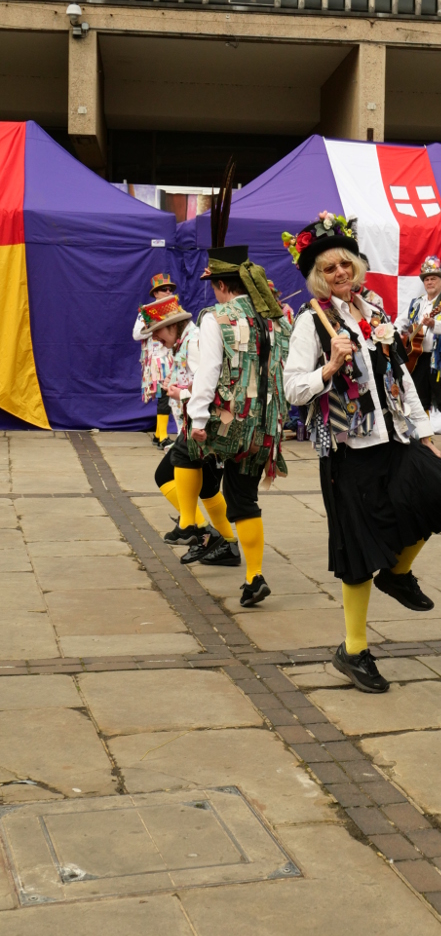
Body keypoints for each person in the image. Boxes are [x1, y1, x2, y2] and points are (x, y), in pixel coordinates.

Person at [283, 213, 441, 693]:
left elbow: (401, 374)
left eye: (345, 263)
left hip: (397, 438)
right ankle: (353, 650)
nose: (340, 273)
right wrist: (328, 369)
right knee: (357, 551)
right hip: (349, 451)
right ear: (317, 277)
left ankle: (399, 573)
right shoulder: (311, 321)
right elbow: (291, 389)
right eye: (329, 269)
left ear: (357, 266)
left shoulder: (375, 312)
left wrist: (426, 429)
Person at [169, 166, 291, 607]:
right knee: (245, 499)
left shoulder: (215, 318)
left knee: (183, 452)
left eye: (214, 286)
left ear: (221, 286)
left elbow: (207, 374)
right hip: (263, 430)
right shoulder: (277, 317)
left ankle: (188, 524)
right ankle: (254, 575)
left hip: (226, 424)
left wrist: (197, 417)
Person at [136, 295, 241, 567]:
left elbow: (210, 382)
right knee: (206, 489)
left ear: (174, 326)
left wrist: (181, 392)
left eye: (158, 332)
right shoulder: (186, 341)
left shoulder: (194, 343)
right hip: (199, 421)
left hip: (205, 423)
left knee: (166, 474)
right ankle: (224, 543)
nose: (156, 339)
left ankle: (199, 530)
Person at [397, 255, 441, 457]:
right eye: (426, 278)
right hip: (417, 357)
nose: (429, 281)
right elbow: (401, 322)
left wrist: (434, 324)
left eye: (433, 277)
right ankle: (427, 439)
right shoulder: (416, 303)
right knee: (420, 398)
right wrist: (398, 334)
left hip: (440, 357)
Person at [134, 272, 178, 448]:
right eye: (163, 289)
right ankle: (162, 436)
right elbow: (136, 334)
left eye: (170, 289)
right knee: (164, 396)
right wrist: (152, 322)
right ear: (155, 293)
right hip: (157, 361)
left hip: (171, 358)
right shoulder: (145, 311)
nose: (168, 292)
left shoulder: (175, 310)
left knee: (168, 396)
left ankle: (159, 434)